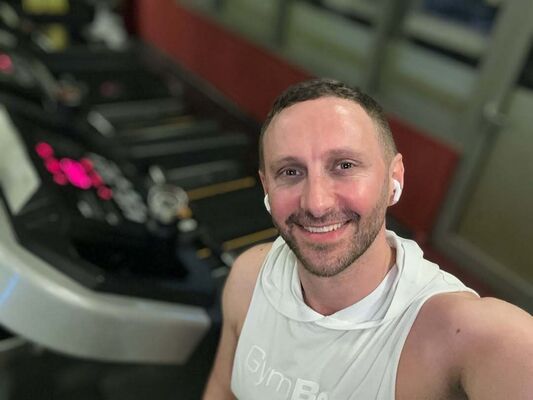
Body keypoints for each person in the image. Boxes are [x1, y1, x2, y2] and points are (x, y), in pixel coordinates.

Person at [203, 78, 533, 399]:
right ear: (267, 187)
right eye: (290, 172)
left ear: (393, 178)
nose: (316, 203)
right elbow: (222, 387)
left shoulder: (465, 335)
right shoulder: (250, 277)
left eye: (344, 165)